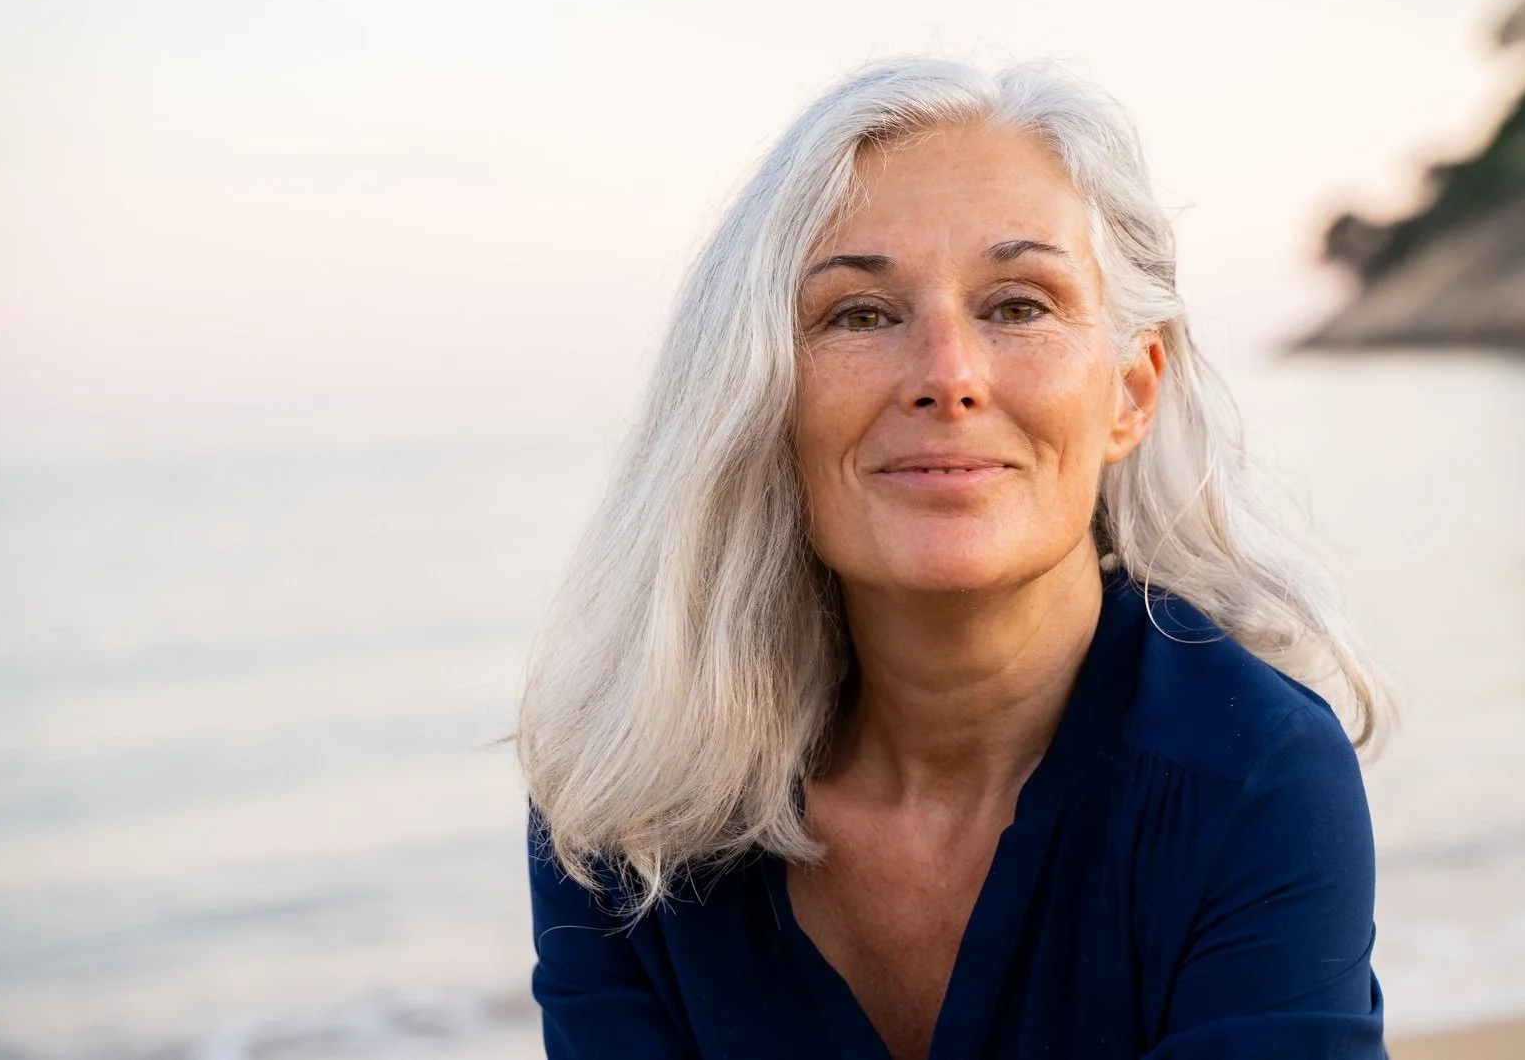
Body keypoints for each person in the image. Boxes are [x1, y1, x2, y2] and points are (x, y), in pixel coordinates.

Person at [517, 57, 1387, 1059]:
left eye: (1018, 304)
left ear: (1131, 394)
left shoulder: (1252, 775)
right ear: (759, 393)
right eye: (860, 314)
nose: (947, 376)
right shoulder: (625, 797)